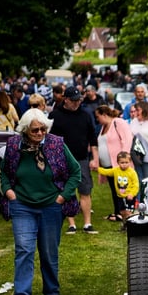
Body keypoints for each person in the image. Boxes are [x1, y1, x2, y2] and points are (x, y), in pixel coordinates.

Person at [0, 108, 82, 295]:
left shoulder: (56, 144)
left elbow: (75, 172)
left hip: (51, 206)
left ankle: (52, 291)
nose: (39, 133)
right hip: (22, 205)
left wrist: (62, 197)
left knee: (48, 251)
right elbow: (4, 173)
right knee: (24, 249)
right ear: (25, 130)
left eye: (43, 129)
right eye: (35, 130)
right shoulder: (13, 145)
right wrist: (9, 192)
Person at [49, 86, 99, 235]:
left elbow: (93, 138)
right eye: (73, 100)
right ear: (66, 99)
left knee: (85, 190)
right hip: (62, 160)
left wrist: (95, 158)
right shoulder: (55, 115)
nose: (77, 103)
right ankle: (71, 223)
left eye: (79, 100)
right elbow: (49, 139)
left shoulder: (85, 115)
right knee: (67, 191)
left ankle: (87, 223)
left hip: (82, 158)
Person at [95, 105, 133, 223]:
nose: (97, 119)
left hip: (119, 164)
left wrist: (124, 159)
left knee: (122, 188)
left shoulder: (118, 122)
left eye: (98, 116)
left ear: (104, 114)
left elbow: (127, 139)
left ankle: (125, 213)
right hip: (108, 165)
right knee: (114, 188)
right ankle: (118, 212)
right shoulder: (103, 127)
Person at [97, 151, 139, 225]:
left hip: (129, 196)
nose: (124, 165)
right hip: (120, 196)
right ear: (118, 162)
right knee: (122, 212)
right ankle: (124, 224)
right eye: (122, 163)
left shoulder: (132, 172)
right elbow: (107, 172)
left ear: (130, 162)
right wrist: (98, 169)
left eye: (126, 162)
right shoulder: (116, 170)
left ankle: (130, 225)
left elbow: (136, 185)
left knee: (128, 212)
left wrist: (132, 194)